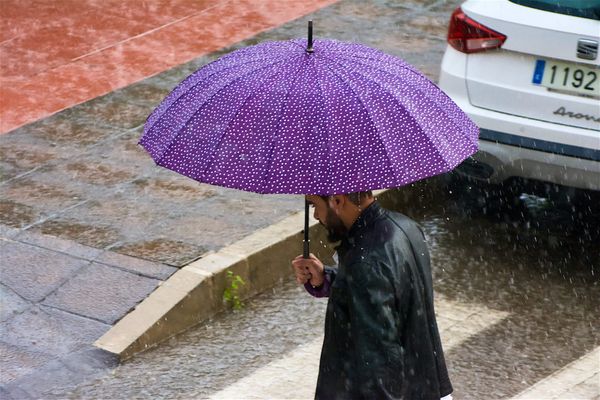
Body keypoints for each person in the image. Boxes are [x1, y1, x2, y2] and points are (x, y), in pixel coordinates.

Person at [292, 191, 453, 400]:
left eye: (315, 206)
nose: (315, 217)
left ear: (337, 201)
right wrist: (326, 278)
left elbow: (380, 365)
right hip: (423, 384)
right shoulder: (404, 226)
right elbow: (390, 290)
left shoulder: (364, 262)